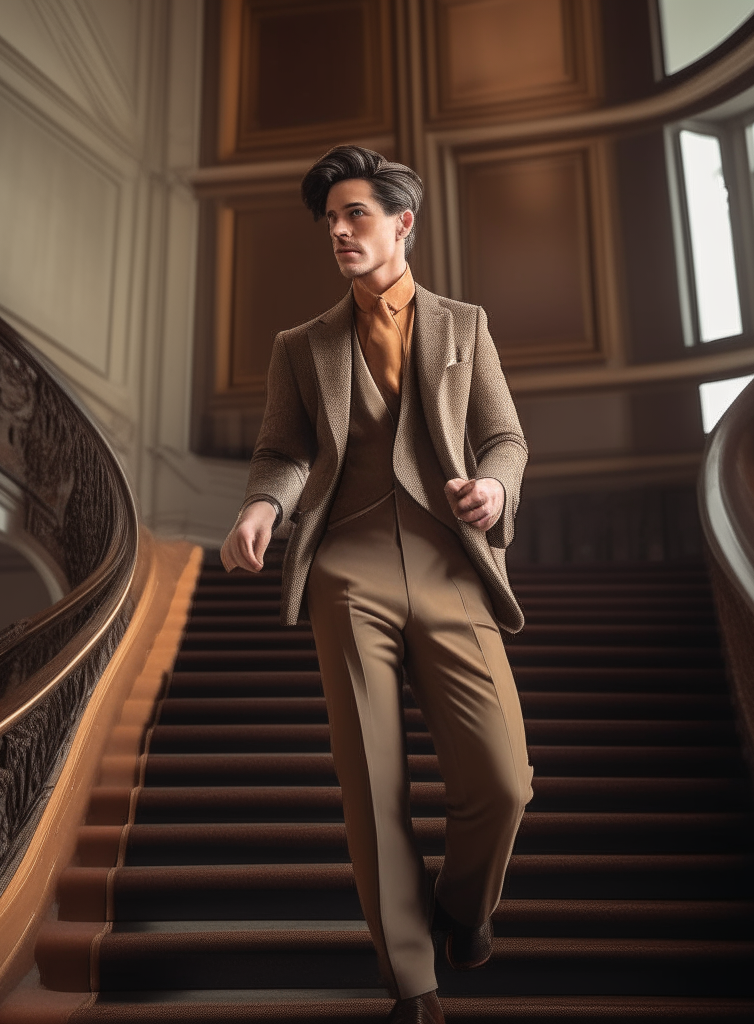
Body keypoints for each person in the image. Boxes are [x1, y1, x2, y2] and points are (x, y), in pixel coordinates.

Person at [220, 145, 533, 1024]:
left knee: (504, 779)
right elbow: (283, 452)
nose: (341, 233)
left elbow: (505, 437)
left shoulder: (464, 327)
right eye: (331, 221)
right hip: (346, 571)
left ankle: (464, 909)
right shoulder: (303, 347)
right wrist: (263, 510)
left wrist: (496, 486)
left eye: (356, 215)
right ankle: (413, 981)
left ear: (402, 222)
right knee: (371, 776)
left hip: (450, 567)